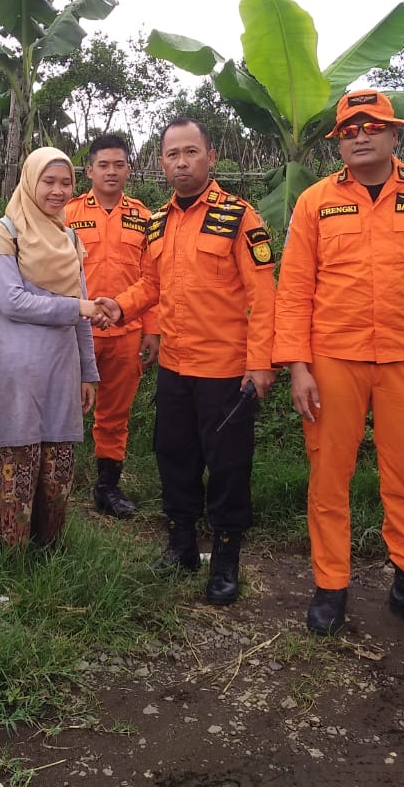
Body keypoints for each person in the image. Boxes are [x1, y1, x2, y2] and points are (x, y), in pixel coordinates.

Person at [273, 90, 404, 641]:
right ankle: (330, 586)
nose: (360, 136)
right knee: (329, 477)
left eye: (372, 126)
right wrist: (297, 366)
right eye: (349, 129)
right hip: (332, 359)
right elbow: (294, 289)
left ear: (394, 135)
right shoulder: (314, 201)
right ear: (338, 141)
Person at [98, 117, 276, 607]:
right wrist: (121, 304)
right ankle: (180, 545)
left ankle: (224, 557)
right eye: (172, 154)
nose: (181, 162)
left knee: (227, 465)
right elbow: (150, 287)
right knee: (173, 457)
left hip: (225, 370)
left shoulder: (240, 218)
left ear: (210, 157)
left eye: (190, 152)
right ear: (161, 163)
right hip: (175, 365)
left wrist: (261, 366)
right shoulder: (158, 221)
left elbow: (264, 298)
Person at [0, 147, 103, 548]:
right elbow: (12, 301)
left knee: (56, 465)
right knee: (16, 459)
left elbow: (81, 313)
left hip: (61, 367)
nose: (58, 190)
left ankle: (48, 550)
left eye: (66, 182)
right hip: (16, 368)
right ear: (30, 181)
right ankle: (6, 556)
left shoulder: (68, 238)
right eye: (49, 181)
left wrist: (88, 372)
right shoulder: (4, 232)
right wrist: (77, 307)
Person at [64, 133, 160, 519]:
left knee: (114, 414)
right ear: (88, 170)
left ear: (129, 170)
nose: (111, 171)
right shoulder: (67, 213)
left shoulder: (144, 217)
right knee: (65, 406)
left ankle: (107, 487)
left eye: (119, 164)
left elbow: (154, 278)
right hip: (74, 330)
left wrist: (152, 330)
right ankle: (57, 481)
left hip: (126, 331)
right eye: (103, 164)